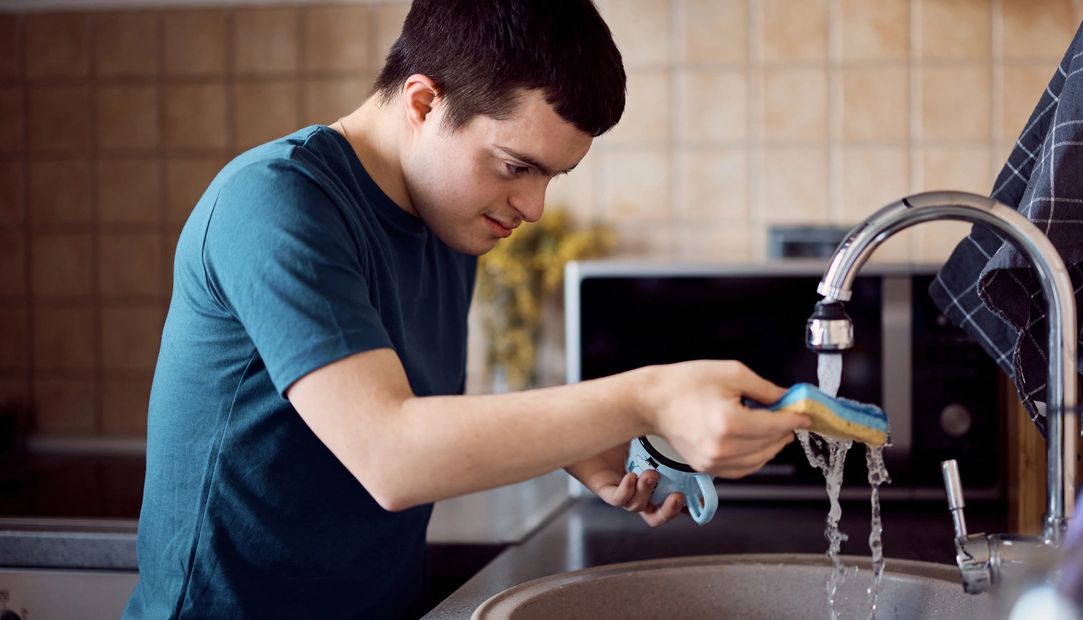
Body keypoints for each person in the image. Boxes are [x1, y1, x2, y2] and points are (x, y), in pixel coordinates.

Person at [123, 1, 810, 617]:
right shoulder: (274, 203)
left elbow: (405, 403)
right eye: (517, 166)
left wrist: (575, 444)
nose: (535, 208)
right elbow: (391, 452)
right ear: (423, 104)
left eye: (552, 175)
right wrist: (646, 397)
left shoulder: (449, 219)